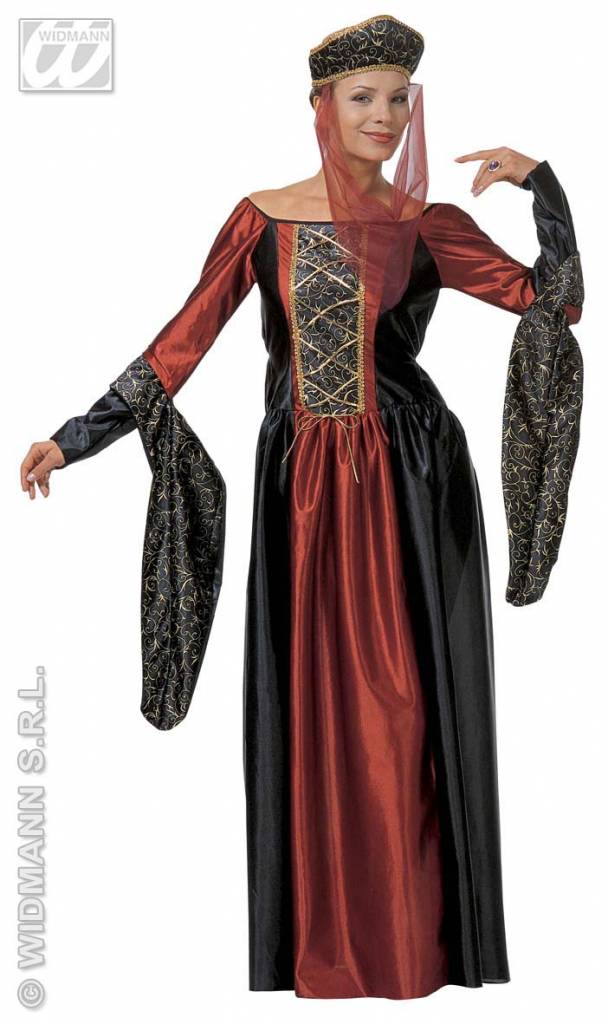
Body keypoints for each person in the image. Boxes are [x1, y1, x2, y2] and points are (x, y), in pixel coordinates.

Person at [20, 13, 584, 1001]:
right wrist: (78, 435)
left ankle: (418, 946)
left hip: (412, 485)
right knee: (315, 713)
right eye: (362, 97)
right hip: (306, 494)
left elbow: (553, 304)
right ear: (320, 105)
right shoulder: (262, 220)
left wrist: (543, 182)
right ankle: (328, 948)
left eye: (397, 99)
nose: (383, 117)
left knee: (407, 713)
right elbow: (181, 340)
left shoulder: (425, 224)